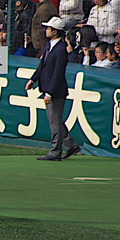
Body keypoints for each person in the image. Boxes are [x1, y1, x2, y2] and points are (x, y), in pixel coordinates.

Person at [25, 17, 81, 161]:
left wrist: (49, 92)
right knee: (55, 120)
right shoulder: (50, 45)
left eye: (49, 29)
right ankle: (71, 144)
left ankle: (56, 151)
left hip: (56, 91)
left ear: (55, 32)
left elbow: (58, 73)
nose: (46, 31)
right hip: (48, 88)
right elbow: (42, 64)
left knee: (54, 122)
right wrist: (33, 79)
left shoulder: (61, 49)